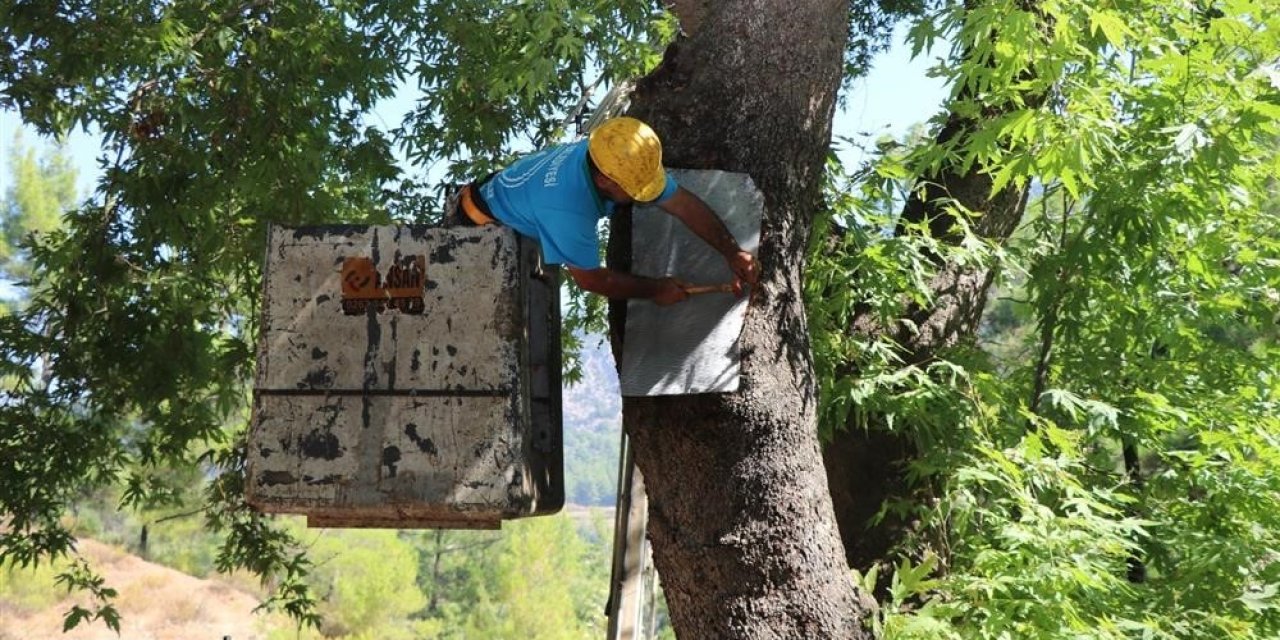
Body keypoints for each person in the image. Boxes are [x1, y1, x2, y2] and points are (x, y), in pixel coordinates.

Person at [451, 117, 758, 305]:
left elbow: (682, 203)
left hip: (507, 204)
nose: (641, 196)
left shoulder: (614, 151)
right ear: (603, 180)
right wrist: (656, 290)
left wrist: (731, 251)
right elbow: (593, 281)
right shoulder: (567, 209)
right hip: (477, 230)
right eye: (633, 190)